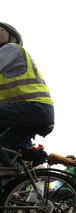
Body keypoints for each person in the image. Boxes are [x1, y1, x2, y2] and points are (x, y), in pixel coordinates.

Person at [0, 23, 54, 175]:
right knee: (5, 151)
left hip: (34, 108)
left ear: (13, 37)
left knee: (5, 161)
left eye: (0, 29)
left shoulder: (11, 48)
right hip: (26, 113)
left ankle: (8, 166)